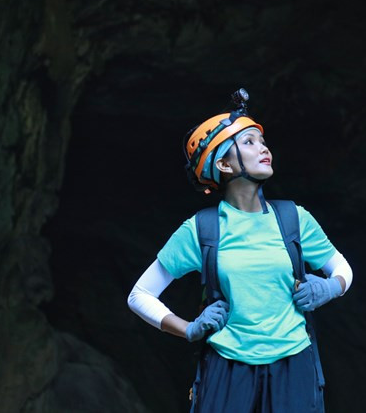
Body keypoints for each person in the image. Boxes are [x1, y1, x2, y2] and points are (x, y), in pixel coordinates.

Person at [127, 89, 353, 412]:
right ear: (223, 163)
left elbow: (343, 269)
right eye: (249, 142)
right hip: (227, 369)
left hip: (294, 366)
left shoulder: (293, 218)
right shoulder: (202, 229)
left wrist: (330, 287)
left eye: (262, 141)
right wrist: (188, 328)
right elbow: (139, 295)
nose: (263, 148)